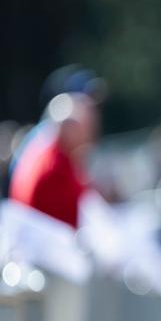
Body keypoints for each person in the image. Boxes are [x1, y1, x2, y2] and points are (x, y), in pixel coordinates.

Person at [9, 92, 98, 228]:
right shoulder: (55, 163)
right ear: (69, 129)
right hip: (42, 240)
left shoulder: (43, 149)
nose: (86, 137)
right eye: (82, 129)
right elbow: (85, 209)